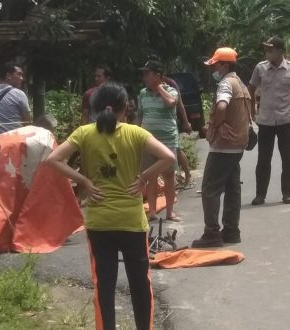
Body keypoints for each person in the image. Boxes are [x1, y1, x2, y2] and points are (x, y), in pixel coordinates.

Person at [46, 82, 175, 330]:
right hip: (132, 222)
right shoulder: (135, 133)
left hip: (99, 222)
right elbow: (168, 156)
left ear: (95, 108)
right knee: (140, 285)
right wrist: (144, 178)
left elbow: (53, 159)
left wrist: (83, 180)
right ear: (125, 107)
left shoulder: (83, 133)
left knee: (104, 287)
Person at [191, 47, 250, 248]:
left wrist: (215, 125)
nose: (213, 68)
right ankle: (232, 231)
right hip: (238, 144)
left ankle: (212, 233)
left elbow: (222, 106)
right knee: (233, 188)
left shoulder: (226, 83)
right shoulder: (241, 83)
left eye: (215, 64)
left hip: (223, 146)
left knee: (210, 189)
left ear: (224, 65)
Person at [248, 36, 290, 205]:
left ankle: (287, 194)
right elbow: (251, 88)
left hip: (285, 120)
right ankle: (260, 195)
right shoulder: (260, 68)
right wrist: (252, 110)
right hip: (266, 121)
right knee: (263, 160)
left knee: (288, 159)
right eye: (266, 49)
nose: (267, 52)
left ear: (280, 52)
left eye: (270, 49)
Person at [137, 60, 180, 221]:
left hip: (168, 139)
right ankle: (153, 211)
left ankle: (170, 212)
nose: (144, 77)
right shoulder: (143, 93)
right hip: (148, 140)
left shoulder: (171, 91)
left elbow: (170, 103)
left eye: (147, 73)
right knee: (150, 176)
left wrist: (160, 88)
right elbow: (140, 115)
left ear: (158, 75)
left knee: (169, 176)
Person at [162, 76, 194, 187]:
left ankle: (187, 175)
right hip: (156, 128)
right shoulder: (147, 86)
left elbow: (179, 103)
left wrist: (186, 122)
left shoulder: (170, 84)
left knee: (177, 150)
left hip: (170, 125)